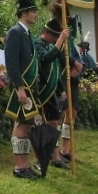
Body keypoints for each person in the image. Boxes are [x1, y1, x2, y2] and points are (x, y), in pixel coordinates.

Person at [4, 0, 41, 180]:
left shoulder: (26, 34)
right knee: (22, 125)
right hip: (21, 87)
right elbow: (11, 63)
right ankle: (20, 167)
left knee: (26, 126)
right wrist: (19, 87)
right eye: (33, 11)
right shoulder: (15, 32)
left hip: (28, 86)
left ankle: (24, 165)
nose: (36, 15)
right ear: (24, 13)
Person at [34, 17, 71, 170]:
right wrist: (60, 40)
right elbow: (46, 59)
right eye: (55, 36)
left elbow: (55, 71)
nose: (56, 39)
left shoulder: (49, 46)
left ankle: (55, 157)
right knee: (43, 125)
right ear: (48, 33)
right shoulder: (37, 44)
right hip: (42, 91)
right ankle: (43, 158)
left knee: (54, 123)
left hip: (52, 91)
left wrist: (61, 88)